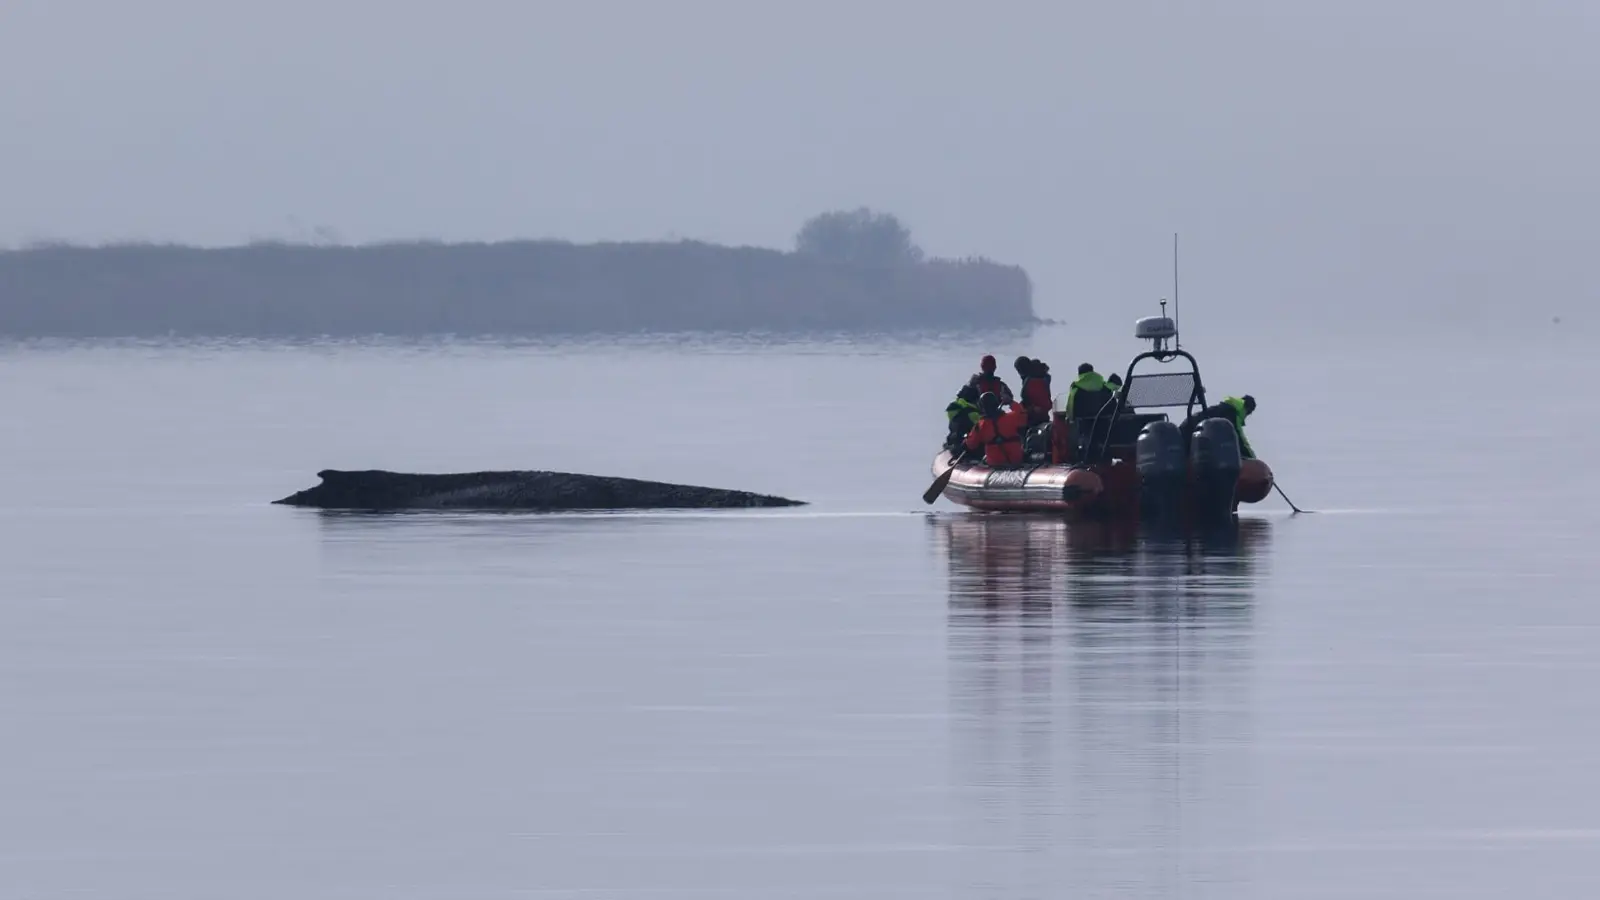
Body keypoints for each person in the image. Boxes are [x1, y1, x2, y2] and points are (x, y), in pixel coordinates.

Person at [963, 391, 1029, 467]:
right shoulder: (1010, 418)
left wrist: (966, 439)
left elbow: (971, 444)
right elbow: (1023, 415)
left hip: (995, 463)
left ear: (982, 408)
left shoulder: (980, 425)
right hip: (1015, 459)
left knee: (982, 460)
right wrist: (1011, 402)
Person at [1180, 394, 1257, 458]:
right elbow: (1240, 441)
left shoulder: (1222, 409)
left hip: (1185, 436)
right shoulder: (1233, 413)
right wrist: (1254, 459)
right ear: (1247, 409)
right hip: (1190, 439)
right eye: (1248, 413)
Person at [1017, 356, 1053, 426]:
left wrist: (1030, 408)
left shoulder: (1031, 381)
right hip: (1043, 414)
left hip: (1033, 417)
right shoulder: (1044, 378)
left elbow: (1025, 398)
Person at [944, 384, 982, 449]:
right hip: (969, 444)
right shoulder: (972, 412)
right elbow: (982, 426)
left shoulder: (955, 410)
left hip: (954, 441)